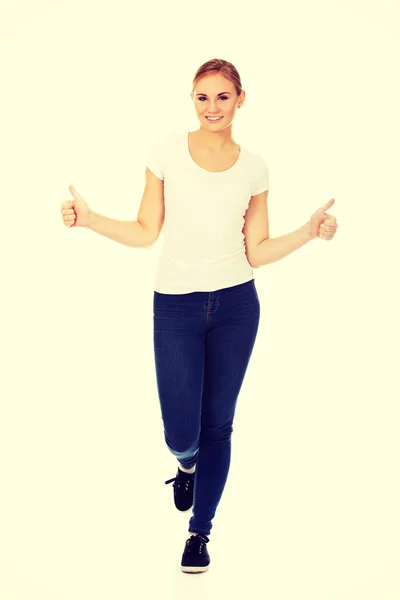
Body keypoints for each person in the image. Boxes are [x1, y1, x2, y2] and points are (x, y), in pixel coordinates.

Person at [59, 58, 338, 574]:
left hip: (236, 304)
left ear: (240, 100)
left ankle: (199, 533)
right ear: (192, 100)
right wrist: (90, 220)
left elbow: (256, 250)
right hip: (176, 304)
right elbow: (146, 230)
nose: (212, 107)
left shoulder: (255, 167)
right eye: (202, 97)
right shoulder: (165, 153)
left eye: (222, 97)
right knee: (180, 430)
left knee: (220, 426)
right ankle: (184, 463)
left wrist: (307, 232)